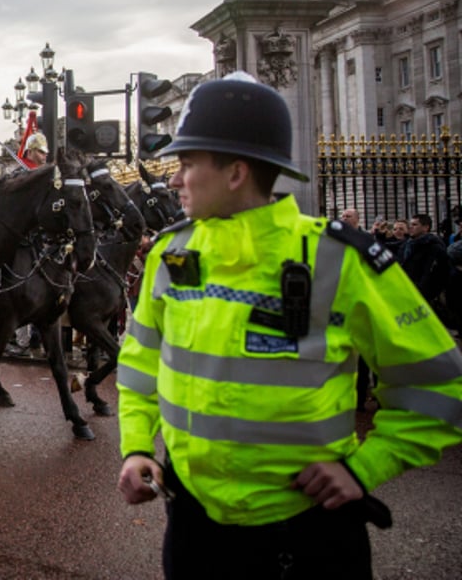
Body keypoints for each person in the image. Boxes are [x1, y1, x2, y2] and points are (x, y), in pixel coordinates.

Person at [116, 72, 462, 579]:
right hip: (192, 521)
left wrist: (363, 470)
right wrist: (138, 447)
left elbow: (437, 383)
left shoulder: (338, 261)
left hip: (304, 533)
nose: (174, 179)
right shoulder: (172, 253)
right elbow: (142, 362)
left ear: (235, 173)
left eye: (187, 164)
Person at [401, 213, 450, 314]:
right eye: (410, 224)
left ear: (426, 227)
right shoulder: (408, 244)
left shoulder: (434, 247)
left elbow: (433, 274)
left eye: (415, 225)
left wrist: (420, 291)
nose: (410, 227)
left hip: (423, 295)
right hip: (407, 292)